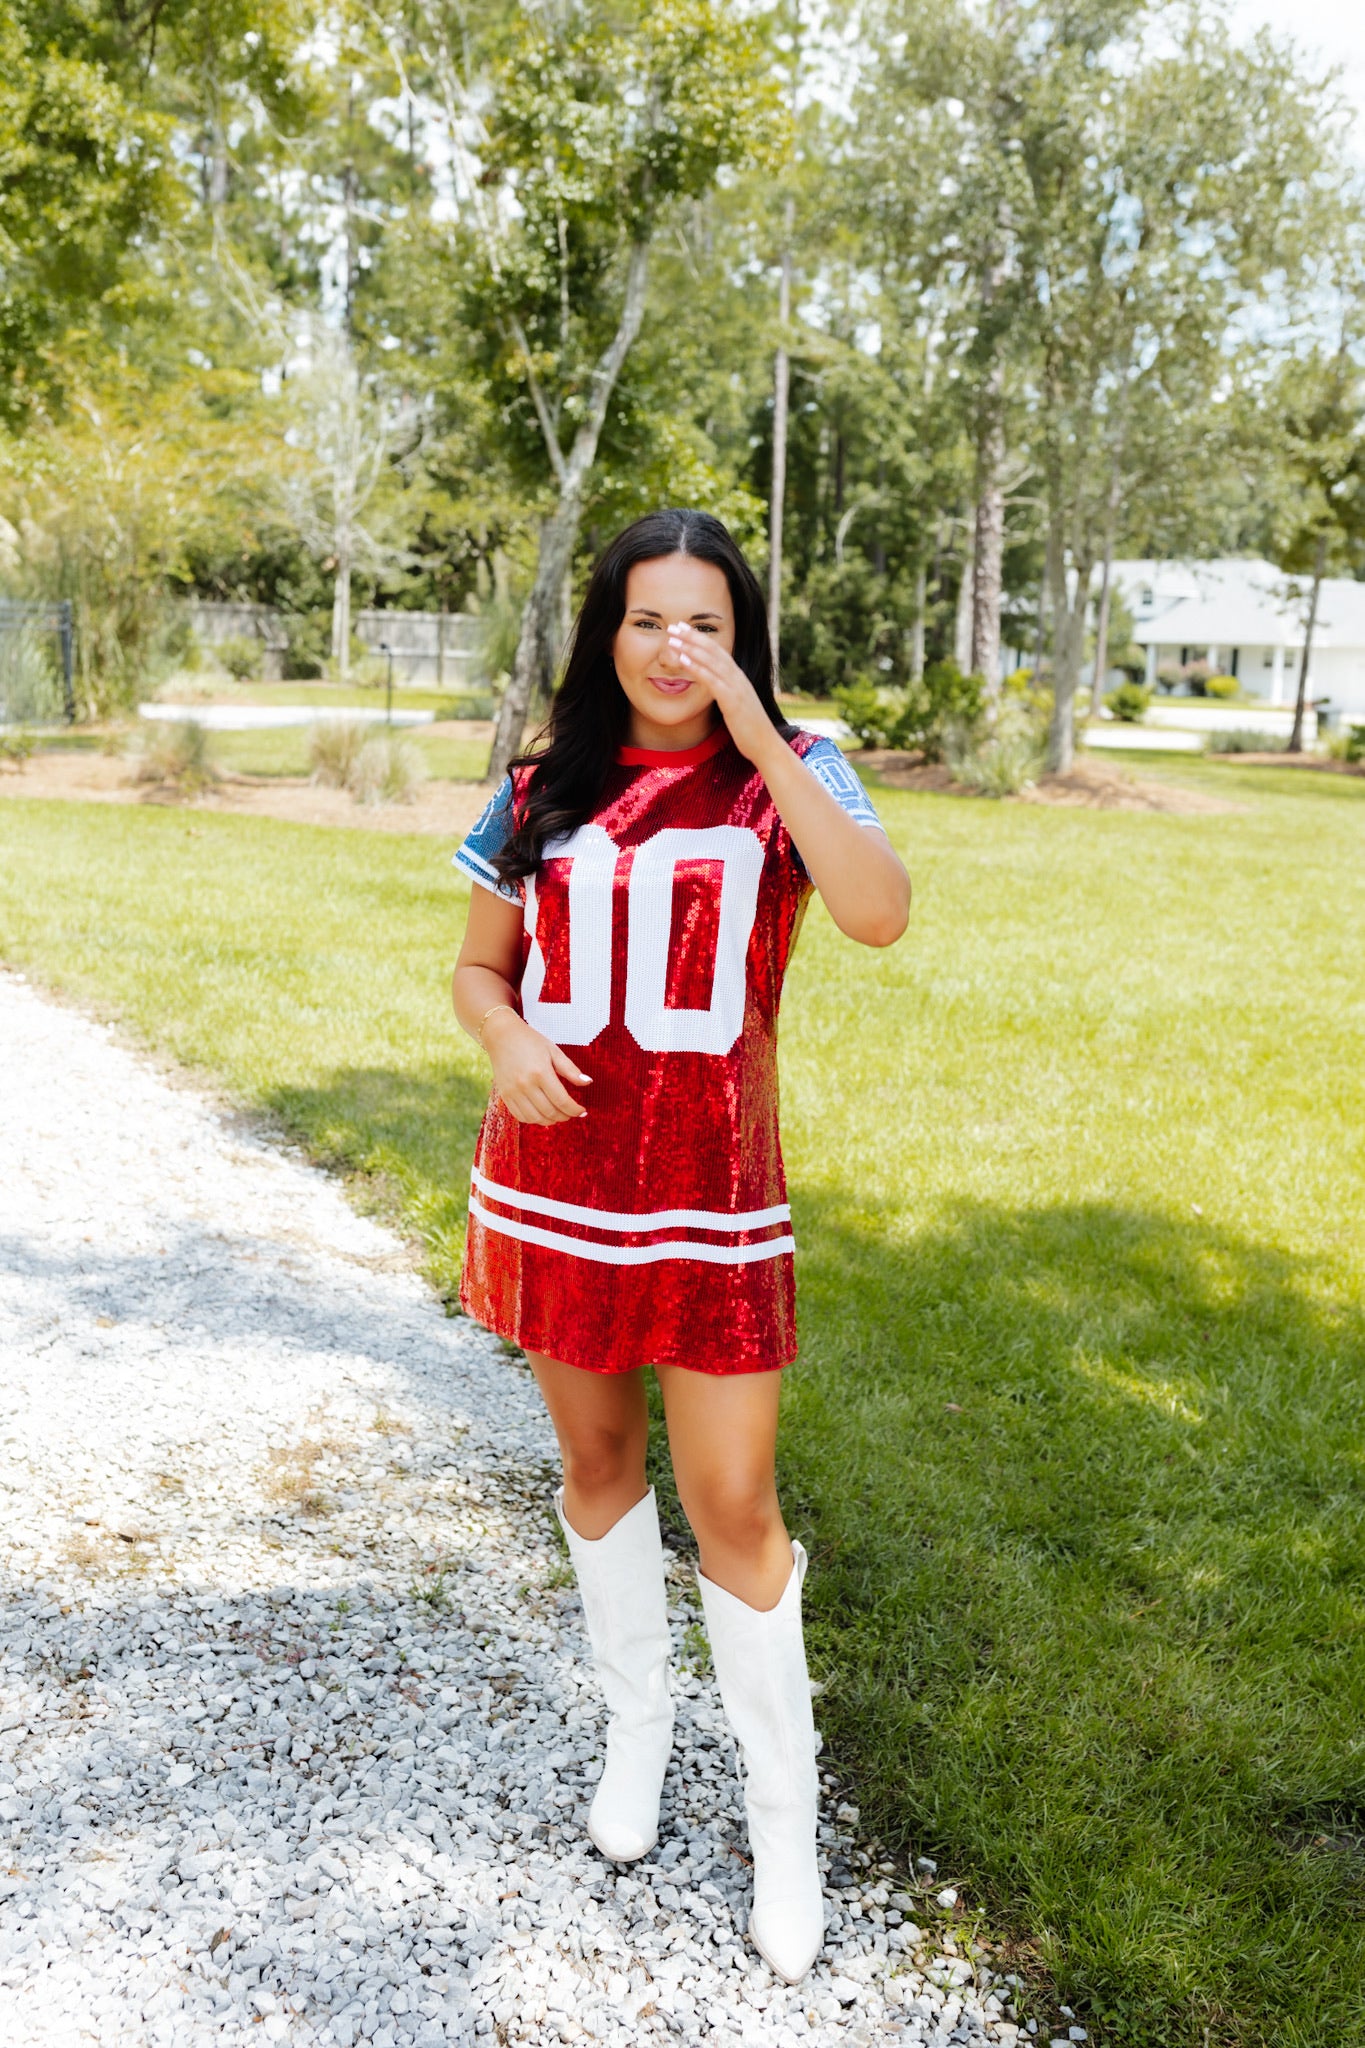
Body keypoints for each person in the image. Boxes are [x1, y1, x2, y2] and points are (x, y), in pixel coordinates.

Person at [450, 508, 909, 1984]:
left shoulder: (794, 768)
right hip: (557, 1188)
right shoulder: (541, 783)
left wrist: (762, 730)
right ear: (606, 632)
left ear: (739, 636)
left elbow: (878, 915)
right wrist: (506, 1032)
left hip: (711, 1202)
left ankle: (785, 1825)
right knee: (596, 1471)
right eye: (646, 619)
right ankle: (636, 1738)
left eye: (702, 621)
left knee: (734, 1502)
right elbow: (474, 969)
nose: (671, 648)